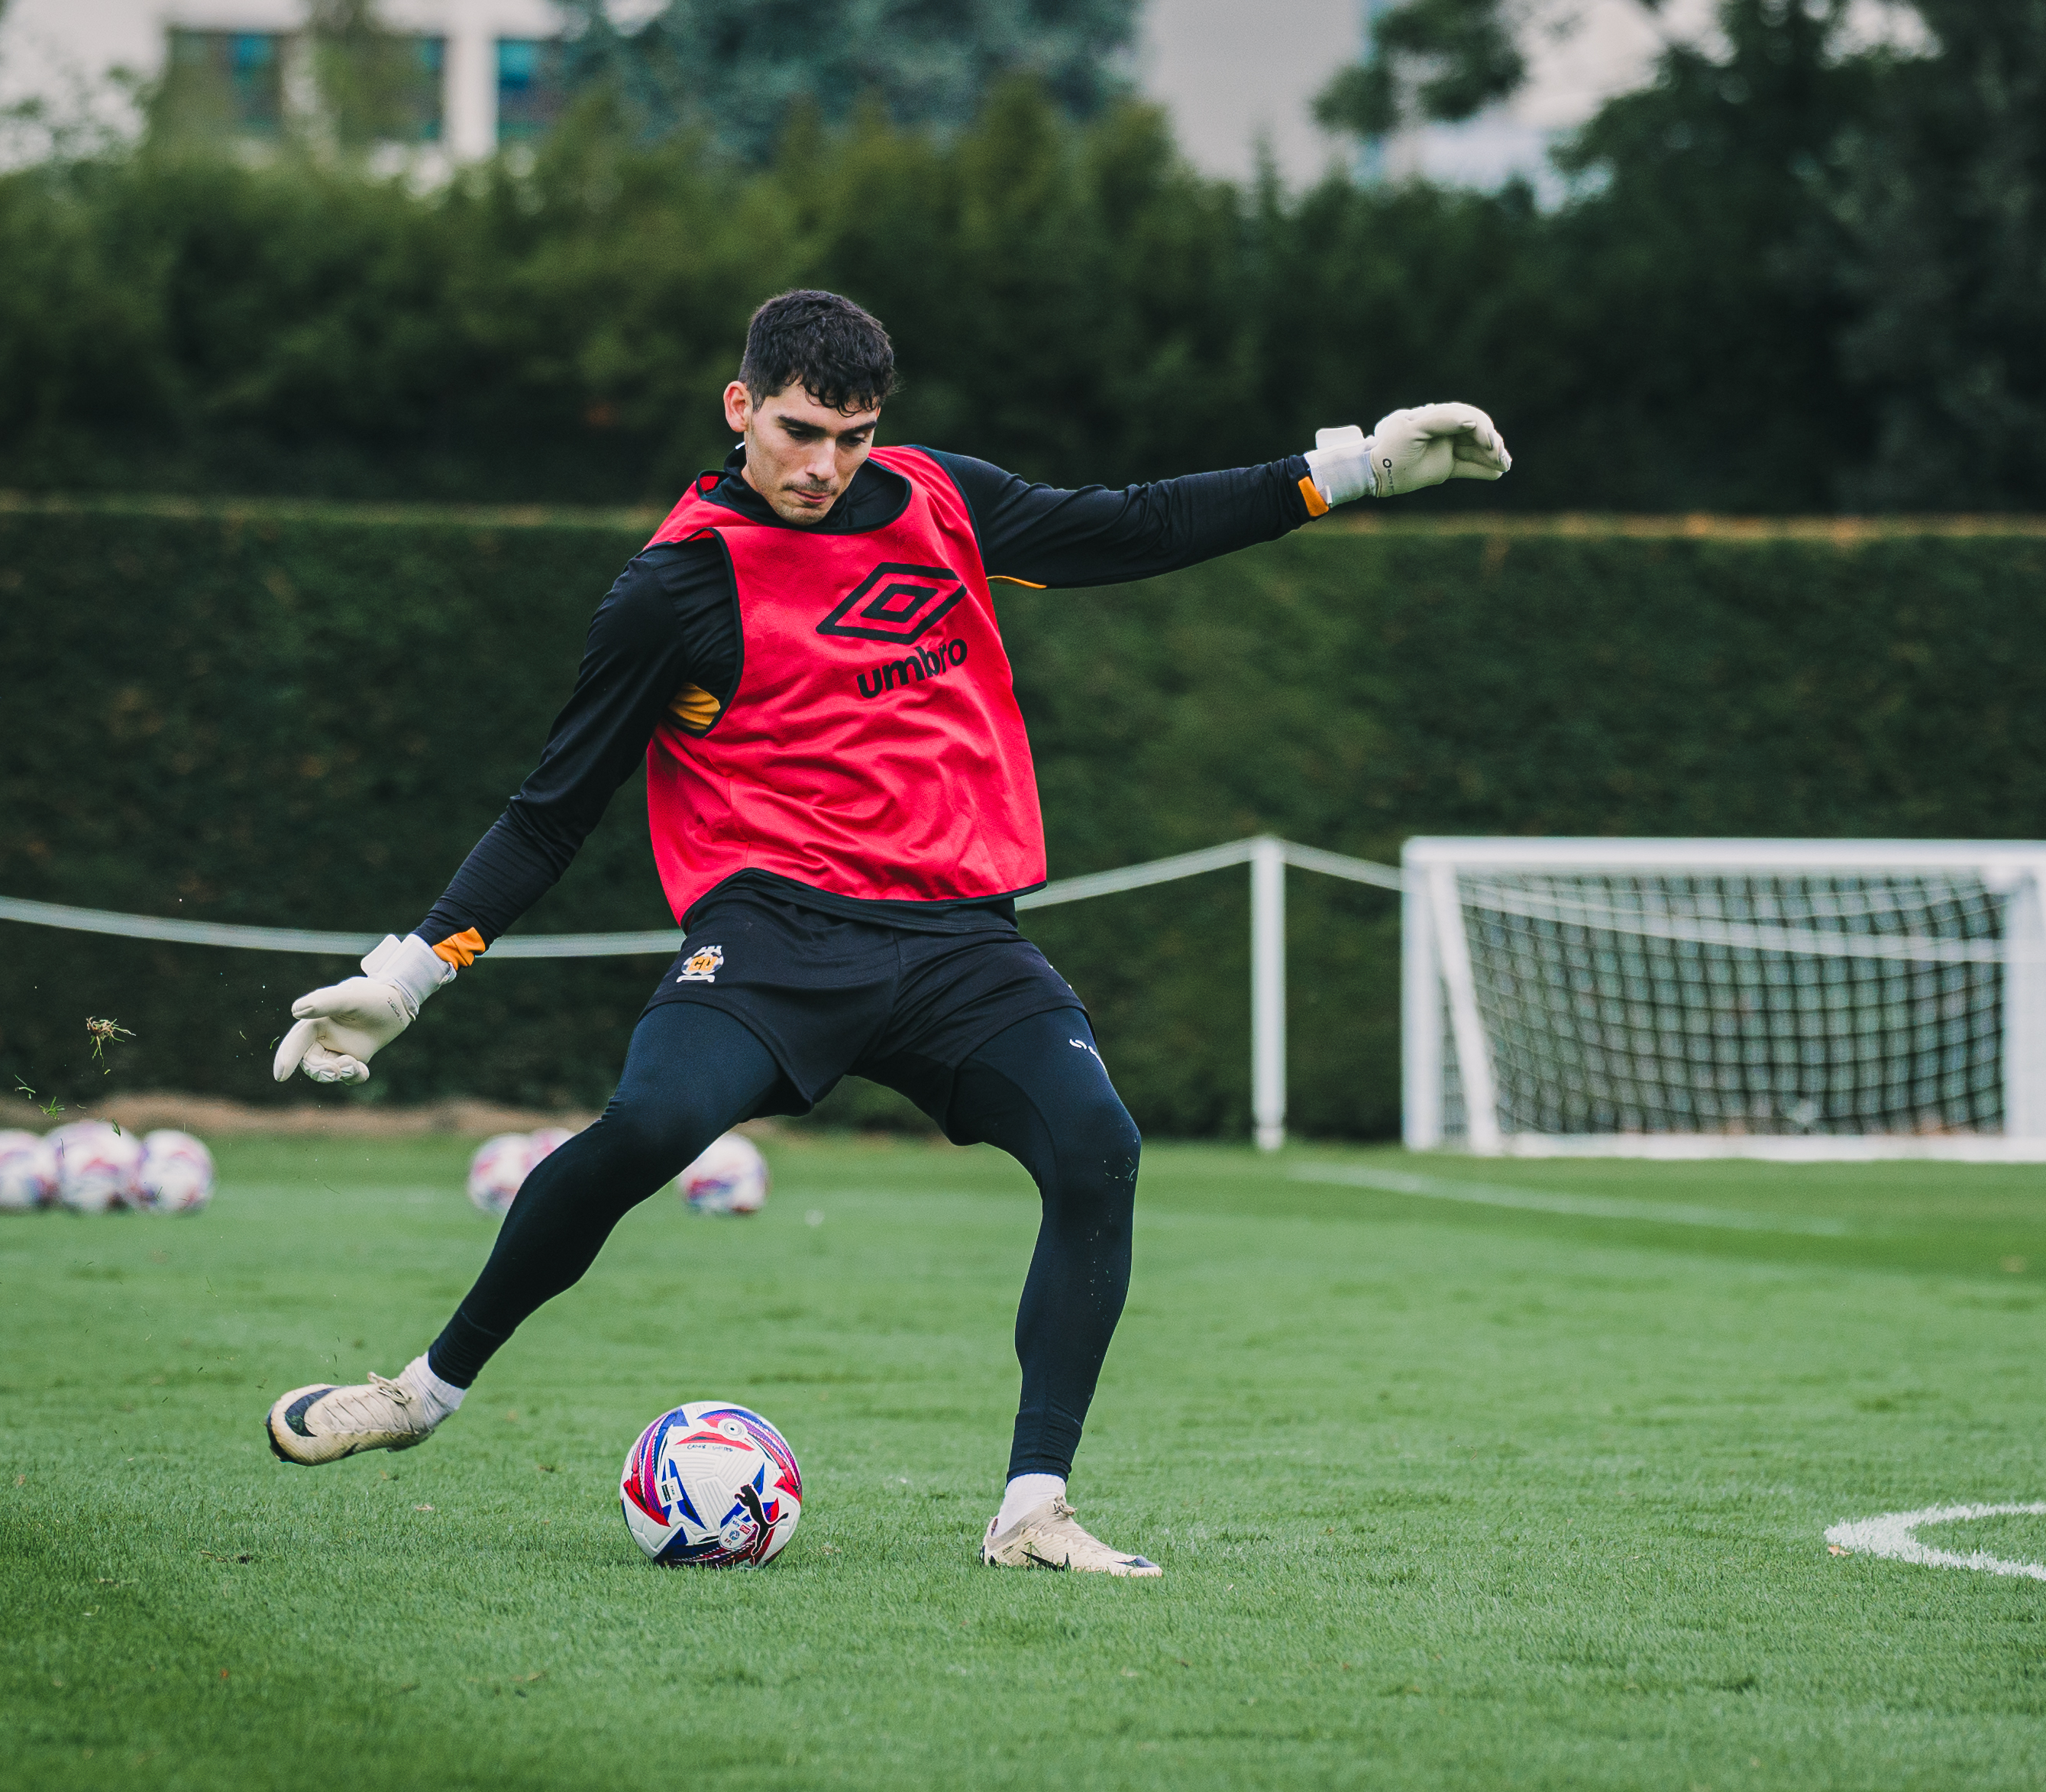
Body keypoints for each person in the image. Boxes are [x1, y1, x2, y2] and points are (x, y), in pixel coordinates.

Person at [261, 289, 1509, 1576]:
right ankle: (424, 1390)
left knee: (1099, 1147)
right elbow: (550, 809)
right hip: (775, 932)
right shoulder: (674, 588)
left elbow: (1128, 526)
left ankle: (1034, 1508)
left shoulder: (939, 499)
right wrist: (406, 977)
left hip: (961, 941)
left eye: (853, 435)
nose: (825, 464)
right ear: (741, 406)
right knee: (646, 1128)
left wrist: (1350, 467)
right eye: (801, 430)